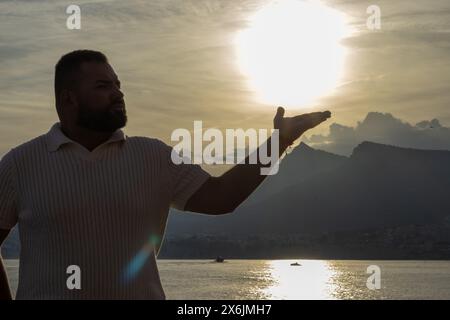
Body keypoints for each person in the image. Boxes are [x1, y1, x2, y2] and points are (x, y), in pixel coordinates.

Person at [0, 50, 331, 299]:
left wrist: (281, 140)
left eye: (118, 84)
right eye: (103, 86)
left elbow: (222, 197)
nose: (118, 93)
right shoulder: (19, 164)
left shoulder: (154, 156)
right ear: (68, 98)